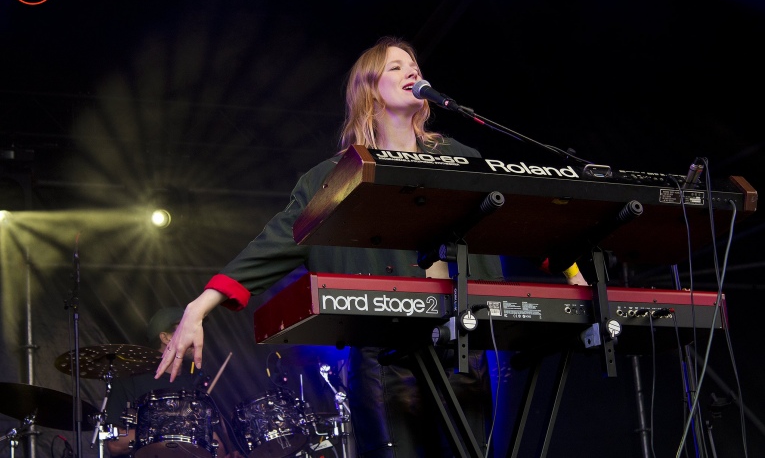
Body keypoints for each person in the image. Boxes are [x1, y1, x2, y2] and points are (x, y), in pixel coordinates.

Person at [155, 36, 587, 457]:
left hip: (462, 346)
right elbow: (274, 242)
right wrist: (199, 307)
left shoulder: (461, 157)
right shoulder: (335, 178)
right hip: (384, 353)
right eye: (395, 67)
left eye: (414, 65)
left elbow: (520, 222)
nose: (411, 71)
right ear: (369, 93)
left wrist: (573, 274)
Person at [105, 307, 231, 458]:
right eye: (188, 329)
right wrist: (172, 429)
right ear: (165, 338)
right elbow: (115, 443)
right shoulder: (129, 380)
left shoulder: (195, 386)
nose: (197, 335)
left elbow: (217, 446)